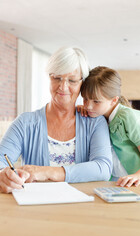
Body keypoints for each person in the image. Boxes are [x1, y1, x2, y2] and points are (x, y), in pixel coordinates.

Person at [0, 48, 112, 193]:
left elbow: (103, 168)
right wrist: (3, 175)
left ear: (82, 83)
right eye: (56, 78)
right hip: (37, 209)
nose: (63, 87)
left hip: (82, 209)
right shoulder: (25, 123)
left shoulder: (95, 123)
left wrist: (47, 172)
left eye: (72, 80)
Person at [79, 66, 140, 187]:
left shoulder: (128, 117)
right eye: (85, 99)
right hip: (116, 183)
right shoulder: (98, 116)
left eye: (96, 101)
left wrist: (139, 176)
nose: (88, 106)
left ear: (113, 100)